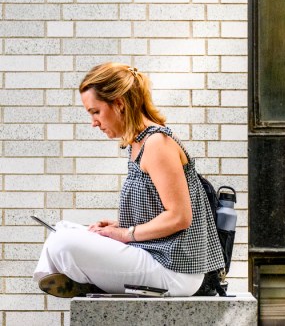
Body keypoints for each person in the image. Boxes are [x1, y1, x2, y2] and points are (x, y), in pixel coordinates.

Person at [33, 62, 225, 297]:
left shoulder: (157, 144)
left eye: (95, 111)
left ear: (119, 104)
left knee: (62, 242)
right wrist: (119, 226)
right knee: (62, 230)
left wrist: (125, 234)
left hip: (175, 270)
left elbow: (180, 217)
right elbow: (158, 211)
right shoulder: (138, 144)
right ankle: (84, 278)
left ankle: (87, 280)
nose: (93, 122)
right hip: (154, 255)